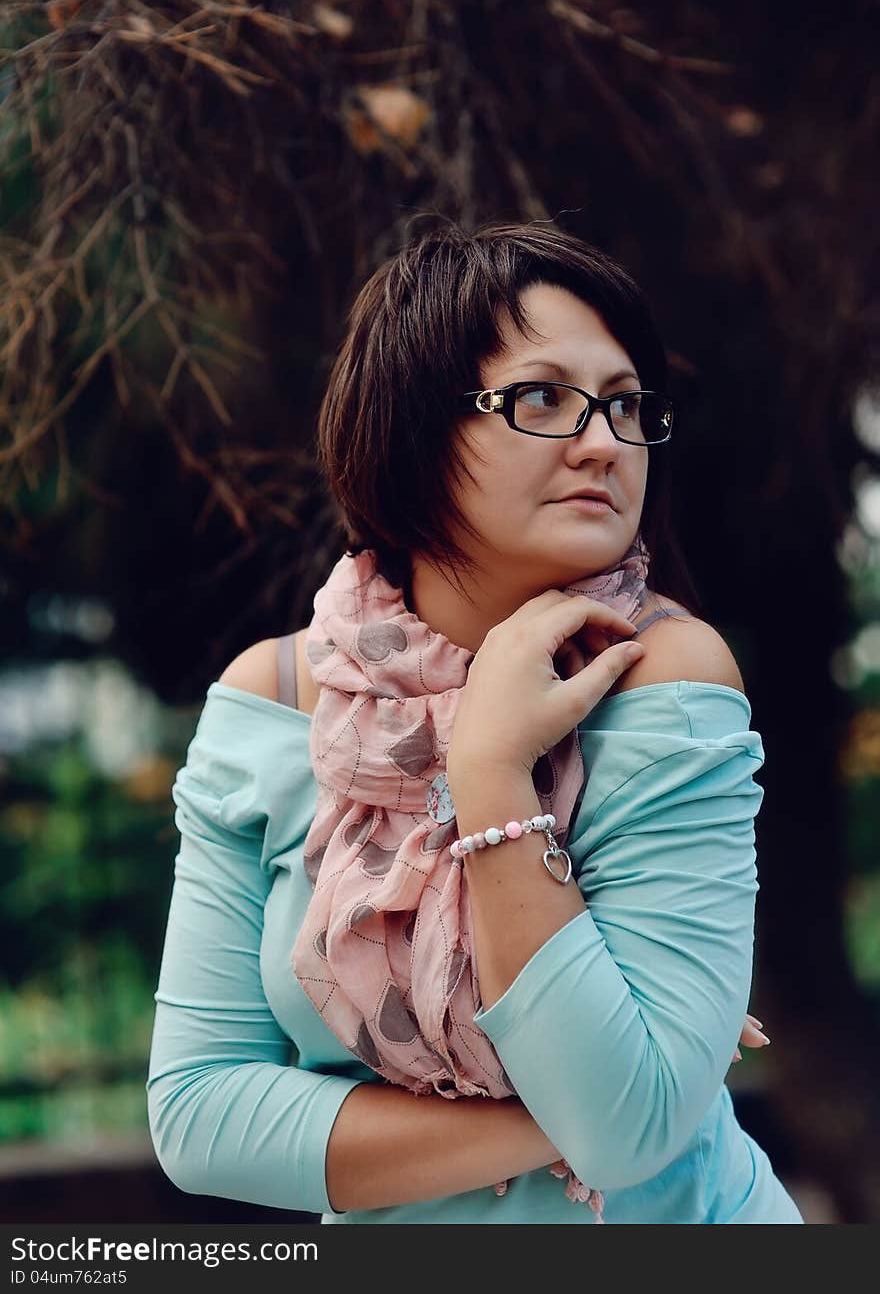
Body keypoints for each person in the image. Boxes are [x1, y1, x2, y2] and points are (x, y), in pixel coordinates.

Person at [146, 220, 804, 1223]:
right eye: (544, 398)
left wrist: (491, 770)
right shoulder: (272, 700)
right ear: (411, 428)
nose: (603, 443)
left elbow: (630, 1137)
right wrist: (567, 1118)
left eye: (625, 407)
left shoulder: (661, 674)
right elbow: (201, 1118)